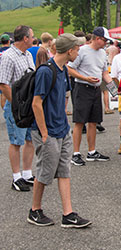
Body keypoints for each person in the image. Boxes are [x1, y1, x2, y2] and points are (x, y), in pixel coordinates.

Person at [28, 33, 91, 228]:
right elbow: (36, 103)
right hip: (48, 131)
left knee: (64, 171)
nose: (79, 52)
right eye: (77, 49)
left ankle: (68, 213)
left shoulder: (63, 69)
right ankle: (34, 210)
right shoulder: (46, 72)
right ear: (70, 50)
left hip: (62, 129)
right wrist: (44, 132)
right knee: (45, 172)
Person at [67, 26, 114, 166]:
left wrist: (115, 91)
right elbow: (69, 68)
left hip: (95, 89)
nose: (106, 43)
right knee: (79, 121)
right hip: (82, 88)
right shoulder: (82, 51)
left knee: (94, 121)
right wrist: (85, 78)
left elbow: (105, 73)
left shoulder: (102, 53)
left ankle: (91, 152)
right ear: (98, 38)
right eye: (105, 40)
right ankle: (75, 154)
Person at [0, 25, 36, 192]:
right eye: (32, 36)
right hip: (16, 106)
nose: (34, 38)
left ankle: (27, 173)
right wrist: (16, 105)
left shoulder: (28, 54)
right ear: (25, 38)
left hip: (28, 105)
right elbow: (4, 84)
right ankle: (16, 177)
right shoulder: (8, 57)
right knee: (16, 141)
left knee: (29, 139)